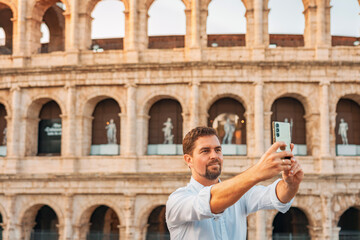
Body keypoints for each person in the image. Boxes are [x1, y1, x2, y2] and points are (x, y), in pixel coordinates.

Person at [166, 127, 303, 240]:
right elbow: (211, 202)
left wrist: (291, 184)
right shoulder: (178, 200)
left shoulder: (241, 194)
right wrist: (258, 171)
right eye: (205, 151)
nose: (214, 156)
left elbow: (277, 196)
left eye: (218, 150)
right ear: (188, 160)